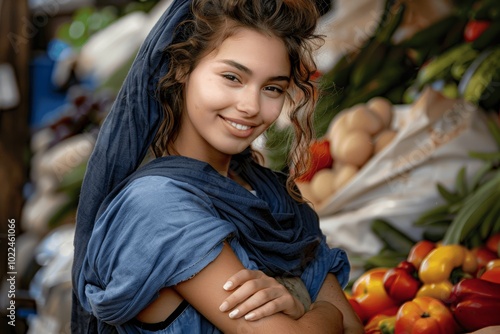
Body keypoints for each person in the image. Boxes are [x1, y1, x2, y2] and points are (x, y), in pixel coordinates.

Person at [72, 0, 364, 333]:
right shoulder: (158, 208)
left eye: (272, 88)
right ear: (183, 68)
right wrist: (313, 307)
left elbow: (354, 326)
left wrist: (308, 312)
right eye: (232, 77)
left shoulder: (274, 195)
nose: (251, 106)